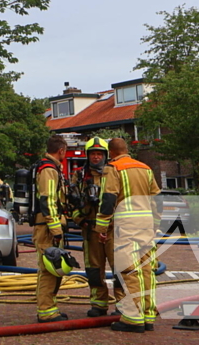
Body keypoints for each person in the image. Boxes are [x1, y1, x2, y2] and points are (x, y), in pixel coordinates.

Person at [96, 138, 161, 333]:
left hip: (126, 226)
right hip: (146, 225)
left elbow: (108, 199)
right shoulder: (145, 168)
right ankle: (148, 316)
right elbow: (157, 199)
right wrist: (156, 223)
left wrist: (101, 228)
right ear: (127, 150)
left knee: (129, 271)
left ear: (111, 152)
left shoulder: (113, 168)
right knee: (146, 271)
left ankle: (132, 318)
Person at [74, 137, 120, 317]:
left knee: (119, 269)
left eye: (99, 153)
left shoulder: (114, 173)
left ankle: (122, 304)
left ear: (106, 155)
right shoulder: (79, 176)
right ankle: (99, 304)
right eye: (92, 154)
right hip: (91, 229)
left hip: (113, 229)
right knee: (93, 269)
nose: (95, 157)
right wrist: (80, 220)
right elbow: (71, 202)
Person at [33, 135, 69, 323]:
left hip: (49, 226)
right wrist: (55, 229)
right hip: (47, 228)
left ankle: (50, 307)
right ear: (61, 150)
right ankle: (46, 310)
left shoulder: (51, 167)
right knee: (48, 268)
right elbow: (47, 201)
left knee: (54, 269)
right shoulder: (48, 169)